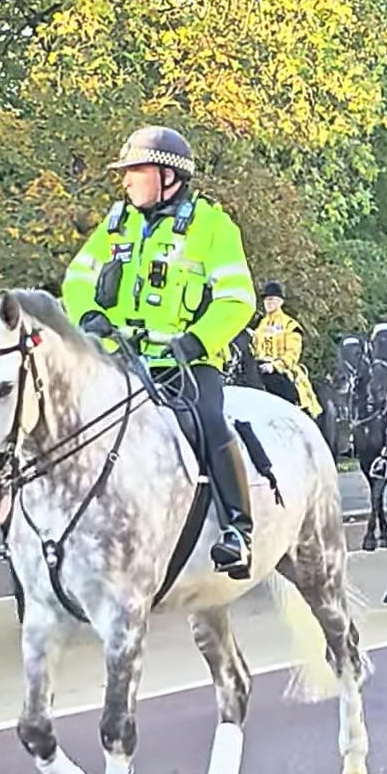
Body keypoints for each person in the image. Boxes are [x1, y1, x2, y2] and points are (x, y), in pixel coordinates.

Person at [63, 125, 260, 576]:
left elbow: (237, 299)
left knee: (211, 422)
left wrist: (197, 340)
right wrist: (89, 315)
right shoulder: (115, 224)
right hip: (119, 361)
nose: (126, 180)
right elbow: (77, 280)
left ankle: (238, 531)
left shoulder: (213, 226)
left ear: (168, 176)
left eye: (135, 170)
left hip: (185, 364)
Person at [251, 282, 322, 417]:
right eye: (266, 299)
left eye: (272, 299)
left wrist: (275, 365)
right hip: (259, 367)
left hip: (282, 369)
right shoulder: (260, 325)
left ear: (280, 301)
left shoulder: (290, 325)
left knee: (281, 387)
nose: (268, 303)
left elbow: (293, 353)